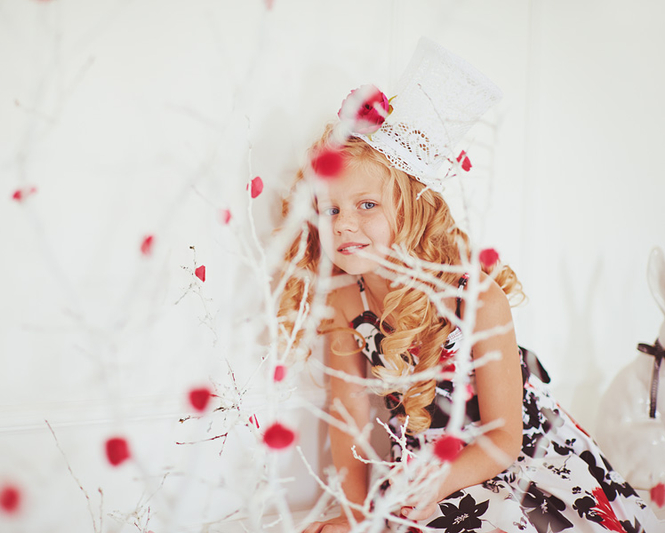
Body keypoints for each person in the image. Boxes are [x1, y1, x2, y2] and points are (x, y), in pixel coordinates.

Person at [277, 38, 660, 533]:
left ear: (412, 208)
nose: (344, 224)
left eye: (366, 205)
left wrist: (442, 481)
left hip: (512, 457)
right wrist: (353, 513)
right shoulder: (347, 301)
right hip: (422, 467)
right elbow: (346, 415)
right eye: (330, 209)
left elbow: (504, 440)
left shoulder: (475, 299)